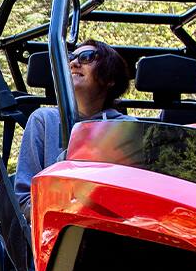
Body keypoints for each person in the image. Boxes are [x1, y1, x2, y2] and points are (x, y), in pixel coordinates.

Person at [15, 40, 131, 217]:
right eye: (70, 58)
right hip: (55, 229)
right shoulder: (44, 120)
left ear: (110, 79)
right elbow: (24, 199)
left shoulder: (127, 128)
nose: (74, 63)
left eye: (86, 58)